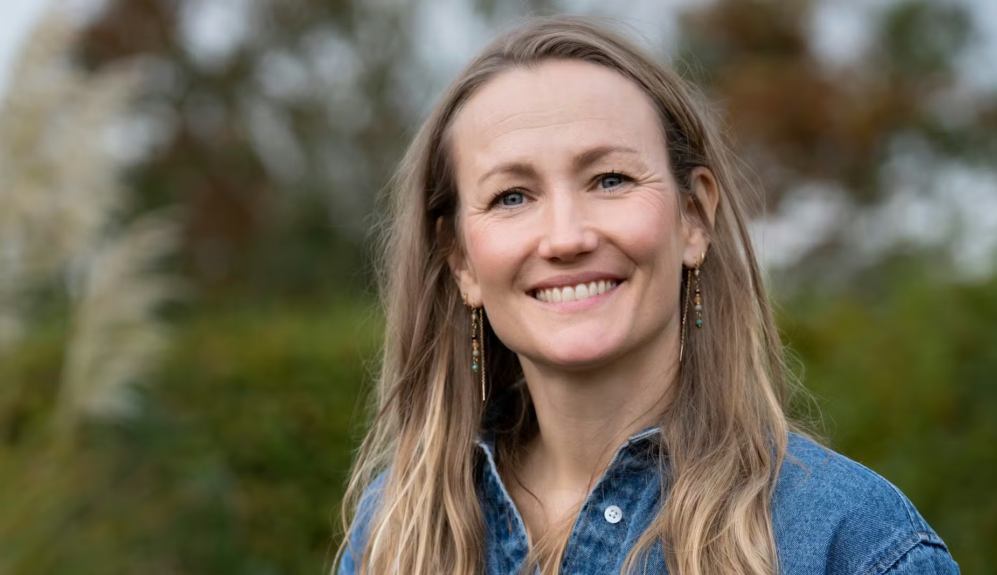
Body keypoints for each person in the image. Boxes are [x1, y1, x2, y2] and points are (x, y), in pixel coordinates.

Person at [332, 14, 959, 575]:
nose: (566, 237)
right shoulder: (393, 534)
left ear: (694, 217)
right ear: (462, 259)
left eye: (610, 179)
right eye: (512, 196)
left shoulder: (853, 545)